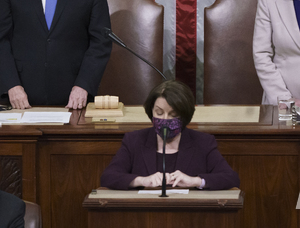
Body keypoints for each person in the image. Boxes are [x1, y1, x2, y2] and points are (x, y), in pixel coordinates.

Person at [100, 80, 240, 190]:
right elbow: (109, 177)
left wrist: (195, 181)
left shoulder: (202, 142)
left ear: (184, 116)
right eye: (159, 113)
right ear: (151, 112)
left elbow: (231, 178)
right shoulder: (134, 140)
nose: (165, 119)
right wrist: (142, 180)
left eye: (173, 114)